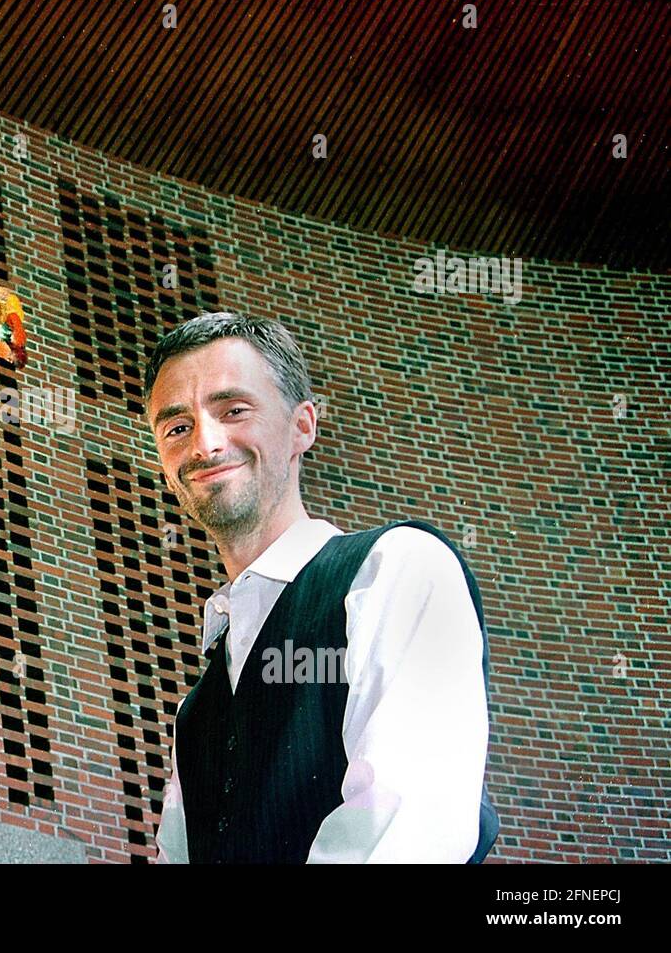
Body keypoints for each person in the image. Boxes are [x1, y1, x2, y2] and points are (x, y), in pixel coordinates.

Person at [144, 312, 499, 863]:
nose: (205, 444)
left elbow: (405, 838)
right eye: (176, 427)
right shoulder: (197, 715)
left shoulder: (397, 568)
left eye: (233, 410)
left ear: (302, 426)